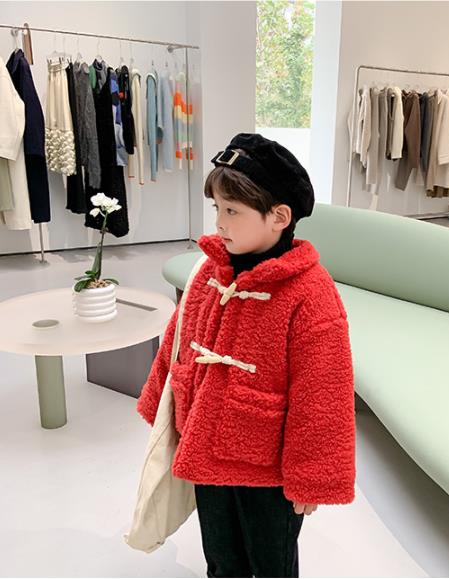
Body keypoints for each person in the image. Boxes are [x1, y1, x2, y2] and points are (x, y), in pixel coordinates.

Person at [136, 133, 356, 577]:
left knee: (272, 561)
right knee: (220, 556)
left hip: (267, 467)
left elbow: (323, 396)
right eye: (217, 208)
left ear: (279, 217)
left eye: (232, 211)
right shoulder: (210, 271)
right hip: (203, 444)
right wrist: (161, 400)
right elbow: (180, 340)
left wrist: (310, 477)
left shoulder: (310, 294)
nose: (219, 223)